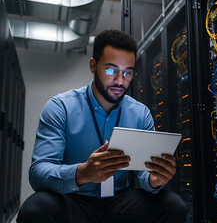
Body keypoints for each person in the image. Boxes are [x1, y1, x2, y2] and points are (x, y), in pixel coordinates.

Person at [17, 29, 187, 223]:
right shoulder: (61, 107)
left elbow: (143, 172)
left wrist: (153, 180)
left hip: (119, 202)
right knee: (35, 209)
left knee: (174, 205)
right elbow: (38, 172)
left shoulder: (141, 114)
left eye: (127, 73)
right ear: (92, 65)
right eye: (110, 70)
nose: (120, 81)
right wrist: (81, 173)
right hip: (72, 200)